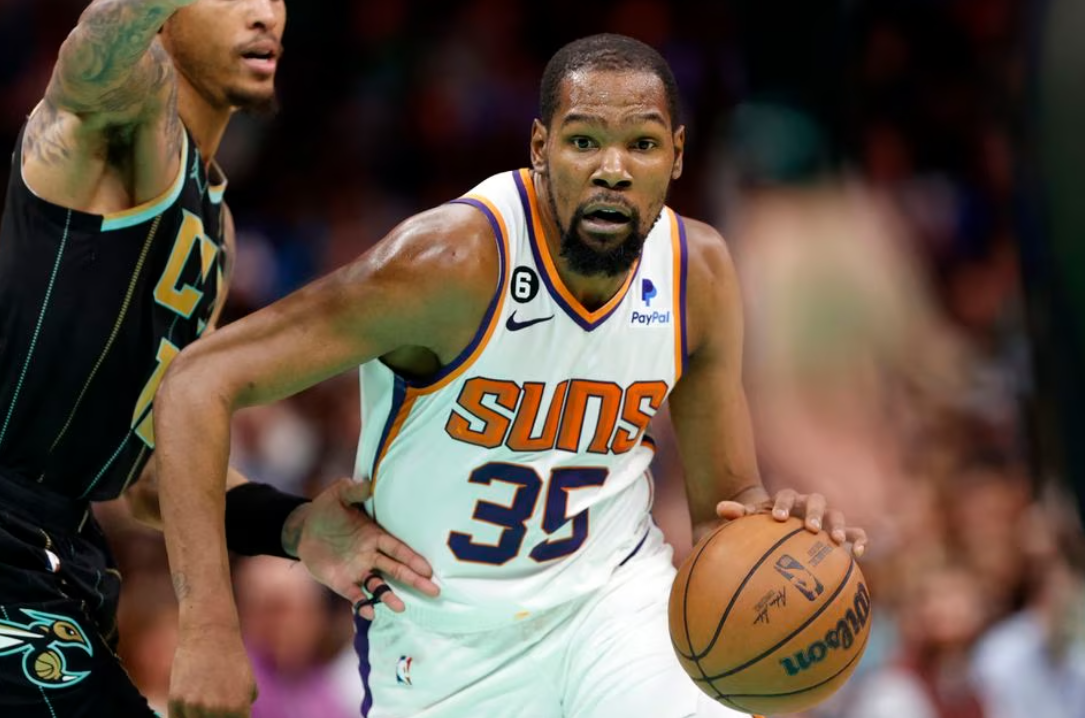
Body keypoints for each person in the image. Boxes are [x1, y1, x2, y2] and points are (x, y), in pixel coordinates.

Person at [154, 33, 870, 718]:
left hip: (614, 608)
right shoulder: (447, 264)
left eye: (642, 143)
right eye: (584, 140)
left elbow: (725, 507)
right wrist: (208, 628)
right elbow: (195, 384)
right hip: (441, 637)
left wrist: (786, 544)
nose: (612, 168)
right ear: (539, 148)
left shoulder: (696, 272)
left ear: (677, 156)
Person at [0, 2, 426, 716]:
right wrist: (207, 621)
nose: (264, 14)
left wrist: (294, 527)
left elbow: (139, 474)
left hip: (61, 552)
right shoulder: (117, 120)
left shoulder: (216, 230)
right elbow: (86, 61)